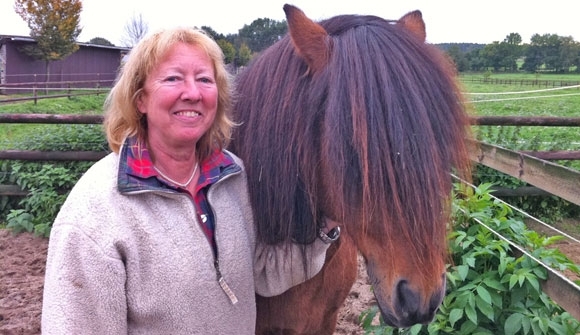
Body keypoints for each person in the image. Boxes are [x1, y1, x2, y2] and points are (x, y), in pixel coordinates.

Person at [41, 27, 338, 334]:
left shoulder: (233, 176)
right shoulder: (97, 209)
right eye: (173, 78)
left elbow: (264, 274)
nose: (193, 93)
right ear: (140, 99)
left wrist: (328, 220)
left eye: (204, 80)